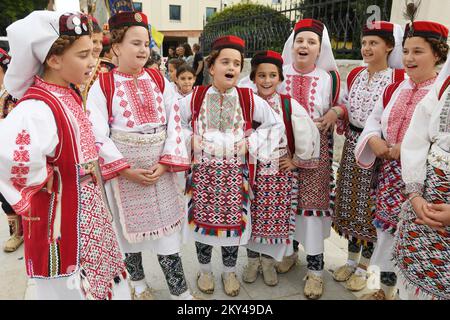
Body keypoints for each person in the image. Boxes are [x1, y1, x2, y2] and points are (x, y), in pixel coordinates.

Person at [0, 10, 129, 300]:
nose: (92, 61)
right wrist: (45, 178)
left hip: (85, 205)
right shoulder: (36, 107)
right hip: (60, 214)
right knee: (69, 287)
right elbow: (8, 155)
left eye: (92, 53)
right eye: (83, 55)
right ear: (54, 59)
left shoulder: (66, 94)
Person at [86, 11, 194, 300]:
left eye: (146, 43)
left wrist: (166, 161)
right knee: (127, 234)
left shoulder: (159, 80)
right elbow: (97, 133)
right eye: (135, 43)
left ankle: (180, 293)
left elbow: (174, 120)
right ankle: (140, 285)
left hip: (160, 168)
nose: (143, 49)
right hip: (125, 172)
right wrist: (124, 169)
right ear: (116, 48)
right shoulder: (103, 85)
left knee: (168, 234)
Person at [177, 35, 284, 297]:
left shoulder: (248, 98)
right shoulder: (195, 97)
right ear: (212, 67)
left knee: (233, 229)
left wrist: (251, 144)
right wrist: (190, 139)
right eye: (225, 61)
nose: (232, 68)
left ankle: (228, 271)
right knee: (201, 227)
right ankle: (204, 270)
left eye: (236, 63)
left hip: (236, 176)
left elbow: (275, 124)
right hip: (203, 175)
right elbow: (175, 125)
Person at [355, 13, 449, 300]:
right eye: (406, 51)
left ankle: (399, 291)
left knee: (410, 238)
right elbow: (373, 120)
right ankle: (374, 289)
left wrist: (403, 149)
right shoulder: (393, 88)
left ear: (437, 55)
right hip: (388, 176)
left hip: (421, 181)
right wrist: (374, 139)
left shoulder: (439, 92)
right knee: (381, 235)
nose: (409, 58)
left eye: (418, 51)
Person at [332, 21, 405, 292]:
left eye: (373, 43)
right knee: (351, 204)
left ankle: (367, 268)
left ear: (389, 46)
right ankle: (351, 262)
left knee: (372, 209)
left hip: (379, 153)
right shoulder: (355, 75)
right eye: (364, 43)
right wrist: (336, 112)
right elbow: (346, 104)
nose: (366, 48)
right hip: (353, 145)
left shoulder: (398, 80)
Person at [242, 50, 320, 287]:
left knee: (272, 218)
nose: (267, 80)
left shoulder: (288, 104)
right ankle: (252, 261)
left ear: (280, 78)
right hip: (251, 169)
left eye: (272, 75)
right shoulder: (245, 102)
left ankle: (268, 262)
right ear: (254, 78)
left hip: (278, 172)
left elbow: (308, 132)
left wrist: (297, 160)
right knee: (250, 217)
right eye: (262, 75)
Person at [278, 18, 343, 299]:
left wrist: (334, 113)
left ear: (320, 49)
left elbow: (344, 105)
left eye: (311, 42)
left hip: (318, 156)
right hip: (282, 153)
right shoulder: (277, 73)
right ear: (292, 46)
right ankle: (290, 253)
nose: (304, 45)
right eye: (300, 41)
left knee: (313, 212)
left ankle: (316, 271)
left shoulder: (329, 79)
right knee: (285, 205)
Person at [393, 56, 450, 300]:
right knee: (412, 287)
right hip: (426, 199)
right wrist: (415, 195)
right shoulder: (445, 85)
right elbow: (417, 136)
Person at [0, 48, 23, 253]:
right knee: (4, 197)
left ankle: (25, 231)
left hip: (12, 152)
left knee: (17, 192)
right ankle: (15, 232)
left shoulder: (13, 95)